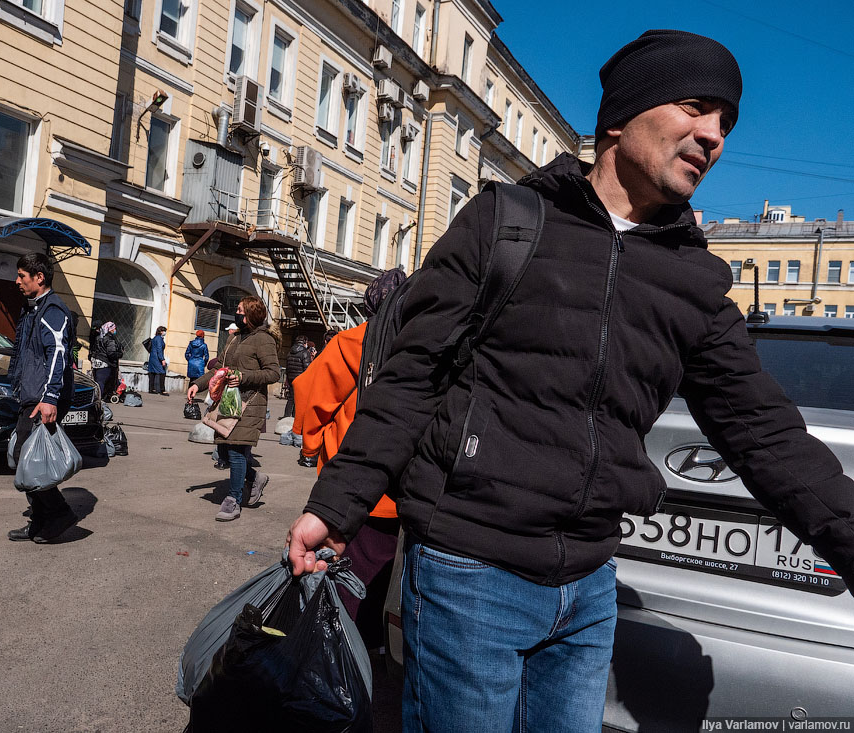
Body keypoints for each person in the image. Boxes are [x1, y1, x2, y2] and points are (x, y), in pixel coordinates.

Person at [287, 30, 854, 732]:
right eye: (697, 107)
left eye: (726, 122)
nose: (714, 136)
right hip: (471, 575)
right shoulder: (505, 223)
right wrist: (336, 506)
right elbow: (411, 377)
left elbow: (766, 433)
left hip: (588, 589)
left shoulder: (695, 280)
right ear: (619, 117)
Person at [291, 268, 407, 649]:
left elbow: (310, 394)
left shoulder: (355, 340)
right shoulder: (420, 345)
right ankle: (374, 644)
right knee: (385, 572)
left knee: (345, 573)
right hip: (401, 492)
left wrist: (310, 447)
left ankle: (342, 650)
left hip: (350, 484)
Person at [6, 252, 79, 544]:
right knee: (24, 459)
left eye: (22, 276)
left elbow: (58, 355)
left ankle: (59, 514)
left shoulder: (53, 310)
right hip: (31, 394)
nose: (17, 281)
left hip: (43, 398)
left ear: (39, 278)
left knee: (30, 461)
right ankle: (40, 520)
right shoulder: (31, 308)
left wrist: (49, 397)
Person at [187, 296, 279, 521]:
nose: (236, 313)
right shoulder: (234, 338)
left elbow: (273, 373)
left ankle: (233, 500)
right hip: (228, 401)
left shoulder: (263, 340)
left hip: (250, 402)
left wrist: (244, 376)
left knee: (236, 450)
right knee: (226, 450)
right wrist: (197, 385)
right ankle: (255, 477)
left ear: (250, 314)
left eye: (240, 310)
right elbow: (219, 367)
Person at [281, 334, 312, 419]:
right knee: (298, 400)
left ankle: (286, 416)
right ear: (304, 342)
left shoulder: (290, 352)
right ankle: (295, 417)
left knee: (291, 398)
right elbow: (307, 368)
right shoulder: (305, 353)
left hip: (291, 377)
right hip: (301, 379)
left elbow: (287, 365)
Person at [90, 321, 121, 398]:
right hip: (105, 363)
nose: (115, 330)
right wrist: (120, 354)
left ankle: (97, 397)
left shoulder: (99, 338)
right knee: (102, 382)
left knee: (97, 382)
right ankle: (98, 398)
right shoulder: (110, 339)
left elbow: (94, 350)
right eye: (114, 329)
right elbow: (111, 353)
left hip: (97, 362)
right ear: (111, 329)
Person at [147, 325, 168, 395]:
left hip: (152, 358)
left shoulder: (155, 338)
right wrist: (162, 359)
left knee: (152, 372)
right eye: (164, 331)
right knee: (162, 372)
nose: (165, 332)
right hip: (157, 358)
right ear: (161, 331)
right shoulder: (159, 339)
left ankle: (151, 388)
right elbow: (159, 349)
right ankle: (162, 390)